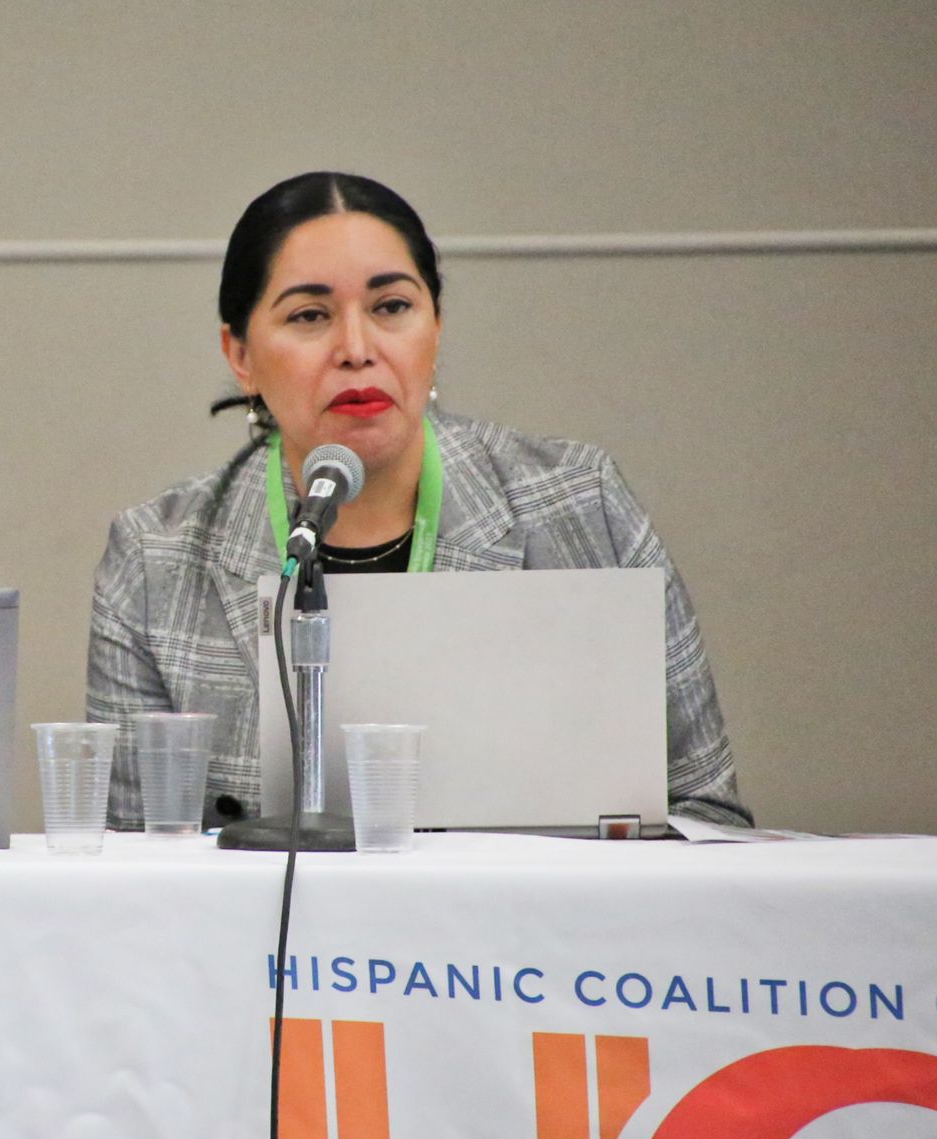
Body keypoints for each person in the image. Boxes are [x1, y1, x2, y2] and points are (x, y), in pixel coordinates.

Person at [87, 171, 749, 831]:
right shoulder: (157, 561)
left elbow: (708, 812)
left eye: (392, 308)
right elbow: (129, 870)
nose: (356, 349)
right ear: (241, 355)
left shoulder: (577, 507)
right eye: (310, 315)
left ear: (435, 326)